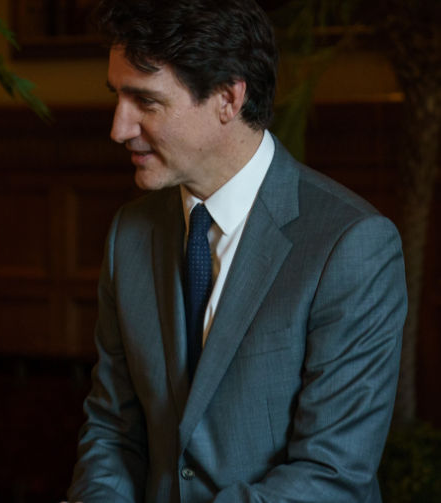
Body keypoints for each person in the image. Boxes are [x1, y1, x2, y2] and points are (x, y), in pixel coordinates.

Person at [67, 0, 407, 501]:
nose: (119, 128)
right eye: (117, 97)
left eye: (147, 102)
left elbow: (331, 476)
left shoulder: (353, 245)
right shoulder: (130, 234)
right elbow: (113, 432)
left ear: (228, 98)